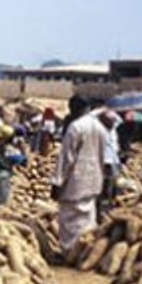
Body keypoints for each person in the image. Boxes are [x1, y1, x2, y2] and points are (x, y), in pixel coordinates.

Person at [51, 98, 107, 253]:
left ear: (75, 108)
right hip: (93, 181)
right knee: (88, 219)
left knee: (70, 220)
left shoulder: (76, 127)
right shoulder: (100, 128)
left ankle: (70, 252)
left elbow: (66, 158)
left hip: (75, 182)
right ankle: (85, 251)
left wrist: (57, 182)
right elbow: (103, 157)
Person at [98, 108, 122, 219]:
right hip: (105, 162)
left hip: (114, 161)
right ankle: (102, 212)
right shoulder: (100, 131)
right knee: (105, 189)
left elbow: (119, 120)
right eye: (110, 121)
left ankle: (109, 209)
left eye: (113, 121)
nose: (113, 123)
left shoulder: (114, 131)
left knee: (113, 188)